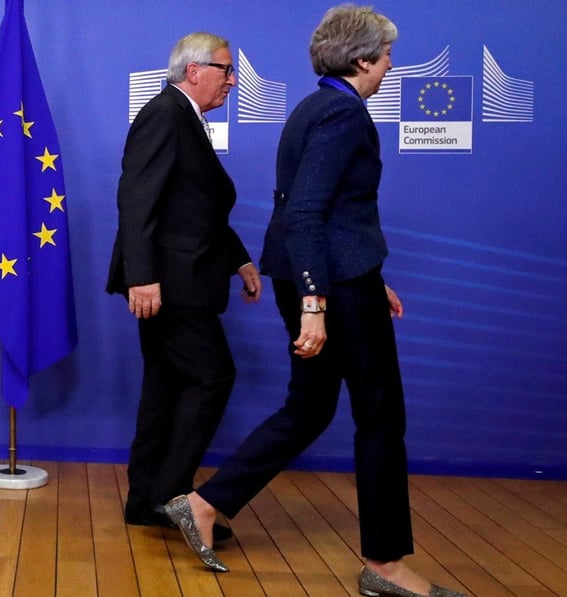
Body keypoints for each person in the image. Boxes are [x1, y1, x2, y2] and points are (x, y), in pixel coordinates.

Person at [164, 6, 466, 596]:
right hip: (329, 288)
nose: (389, 68)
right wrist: (316, 302)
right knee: (380, 416)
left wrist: (365, 274)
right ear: (362, 60)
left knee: (310, 408)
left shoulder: (314, 107)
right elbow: (304, 211)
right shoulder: (342, 114)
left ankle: (204, 503)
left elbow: (330, 213)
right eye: (386, 58)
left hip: (333, 278)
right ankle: (385, 567)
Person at [107, 32, 262, 541]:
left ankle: (147, 500)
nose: (233, 80)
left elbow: (196, 206)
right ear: (194, 71)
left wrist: (239, 260)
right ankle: (174, 498)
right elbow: (136, 198)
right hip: (168, 285)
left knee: (165, 387)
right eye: (225, 69)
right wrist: (142, 276)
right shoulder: (165, 114)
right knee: (211, 376)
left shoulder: (184, 118)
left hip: (179, 279)